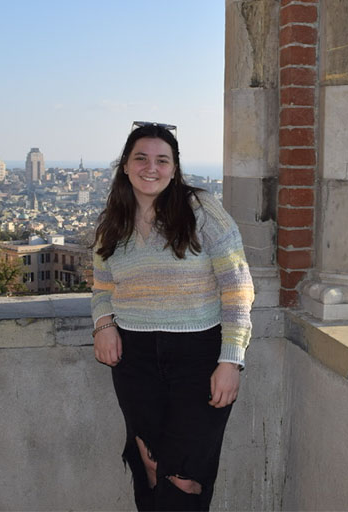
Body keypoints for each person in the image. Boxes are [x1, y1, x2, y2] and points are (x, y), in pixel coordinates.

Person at [91, 122, 254, 511]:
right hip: (135, 360)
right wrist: (104, 324)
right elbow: (102, 288)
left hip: (198, 357)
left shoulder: (201, 209)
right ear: (125, 166)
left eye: (162, 160)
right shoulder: (114, 221)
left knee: (184, 477)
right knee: (149, 465)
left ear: (175, 168)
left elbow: (237, 287)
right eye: (141, 158)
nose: (152, 167)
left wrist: (231, 359)